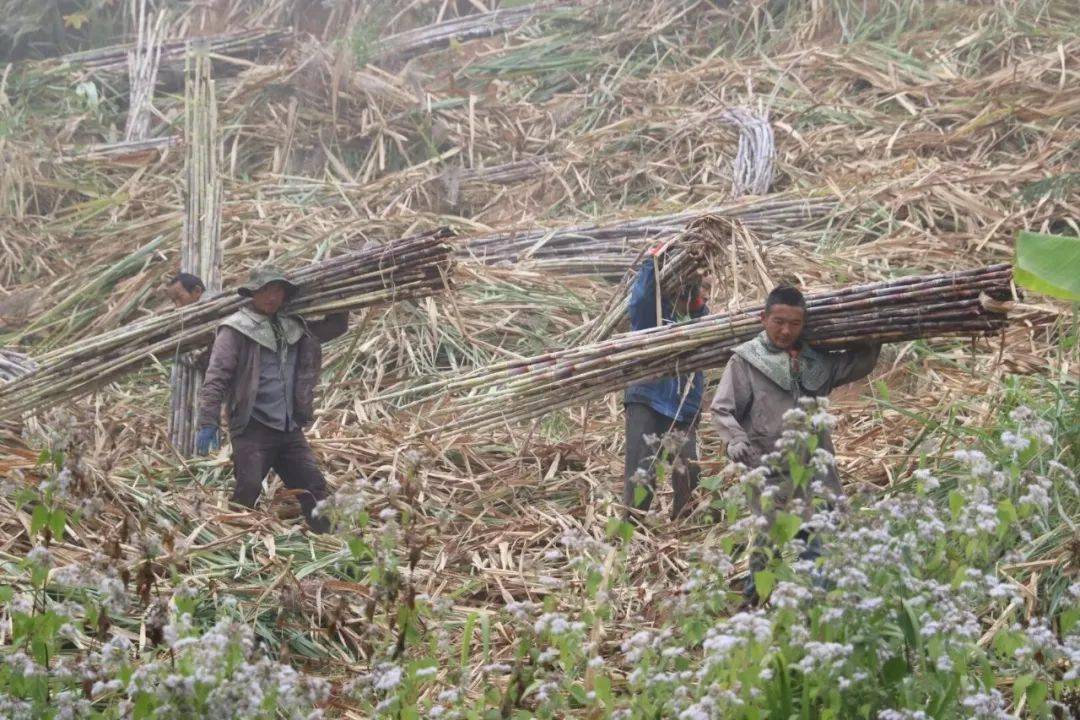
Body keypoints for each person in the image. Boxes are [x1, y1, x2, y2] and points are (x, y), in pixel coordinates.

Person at [710, 285, 881, 602]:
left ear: (805, 325)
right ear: (764, 318)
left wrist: (870, 332)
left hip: (815, 468)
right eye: (778, 321)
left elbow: (859, 363)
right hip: (767, 468)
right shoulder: (746, 361)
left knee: (816, 539)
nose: (785, 330)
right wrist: (734, 439)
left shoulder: (816, 362)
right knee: (769, 542)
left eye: (794, 324)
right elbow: (722, 408)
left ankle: (813, 609)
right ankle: (753, 603)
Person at [196, 266, 349, 533]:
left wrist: (344, 294)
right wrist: (208, 421)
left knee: (313, 486)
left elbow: (335, 327)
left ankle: (330, 541)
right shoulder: (235, 329)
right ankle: (234, 542)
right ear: (253, 293)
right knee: (249, 488)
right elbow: (216, 377)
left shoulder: (292, 327)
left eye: (278, 291)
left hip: (289, 427)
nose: (272, 297)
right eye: (266, 290)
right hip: (253, 426)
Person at [623, 246, 710, 521]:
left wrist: (695, 408)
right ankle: (631, 530)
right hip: (648, 400)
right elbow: (638, 303)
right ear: (683, 286)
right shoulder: (655, 315)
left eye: (708, 289)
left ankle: (684, 527)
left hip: (683, 409)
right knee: (642, 472)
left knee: (689, 470)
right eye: (701, 288)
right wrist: (652, 263)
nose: (705, 294)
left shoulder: (702, 321)